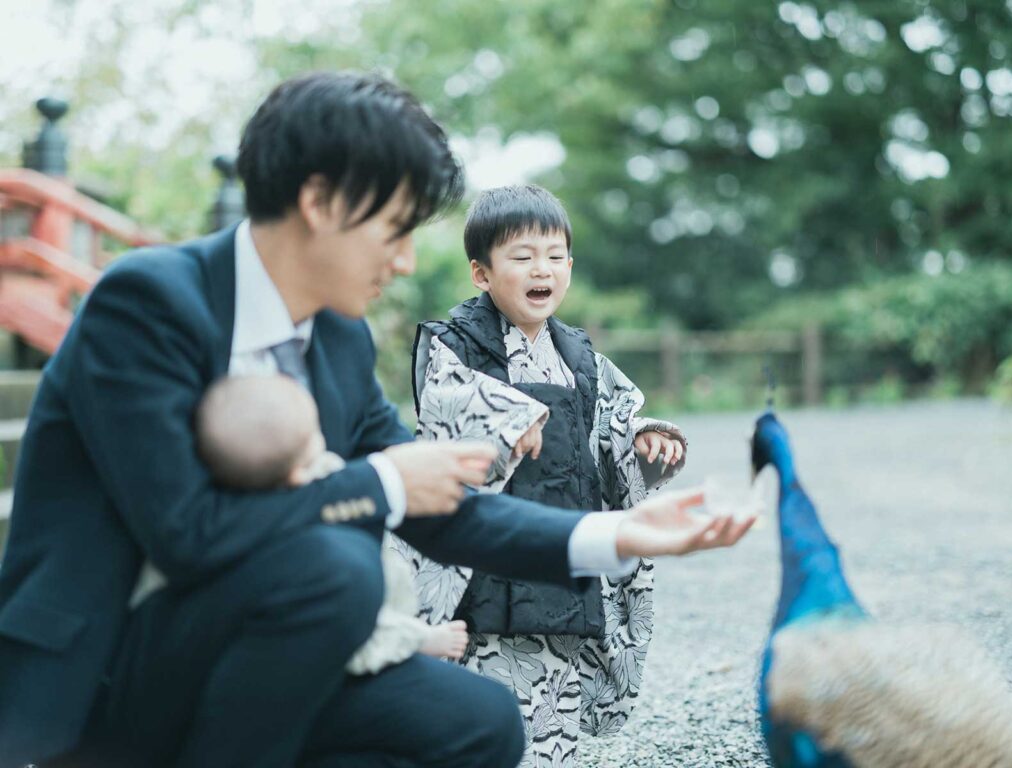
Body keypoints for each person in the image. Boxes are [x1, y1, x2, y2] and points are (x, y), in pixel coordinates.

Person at [0, 71, 752, 768]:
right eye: (394, 230)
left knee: (481, 720)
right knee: (337, 571)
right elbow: (187, 530)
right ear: (322, 203)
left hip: (268, 648)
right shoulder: (150, 302)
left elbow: (444, 507)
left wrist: (619, 535)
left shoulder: (336, 337)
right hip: (114, 663)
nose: (400, 262)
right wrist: (383, 481)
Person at [398, 184, 690, 766]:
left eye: (555, 256)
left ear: (570, 267)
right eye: (523, 256)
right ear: (481, 274)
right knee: (481, 696)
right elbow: (447, 406)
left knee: (554, 700)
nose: (543, 270)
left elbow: (612, 419)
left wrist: (641, 438)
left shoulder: (578, 356)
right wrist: (510, 417)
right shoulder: (453, 345)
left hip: (561, 546)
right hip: (483, 554)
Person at [135, 372, 469, 668]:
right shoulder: (309, 509)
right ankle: (416, 639)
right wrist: (416, 639)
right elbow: (361, 635)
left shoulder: (213, 521)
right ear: (297, 475)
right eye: (314, 433)